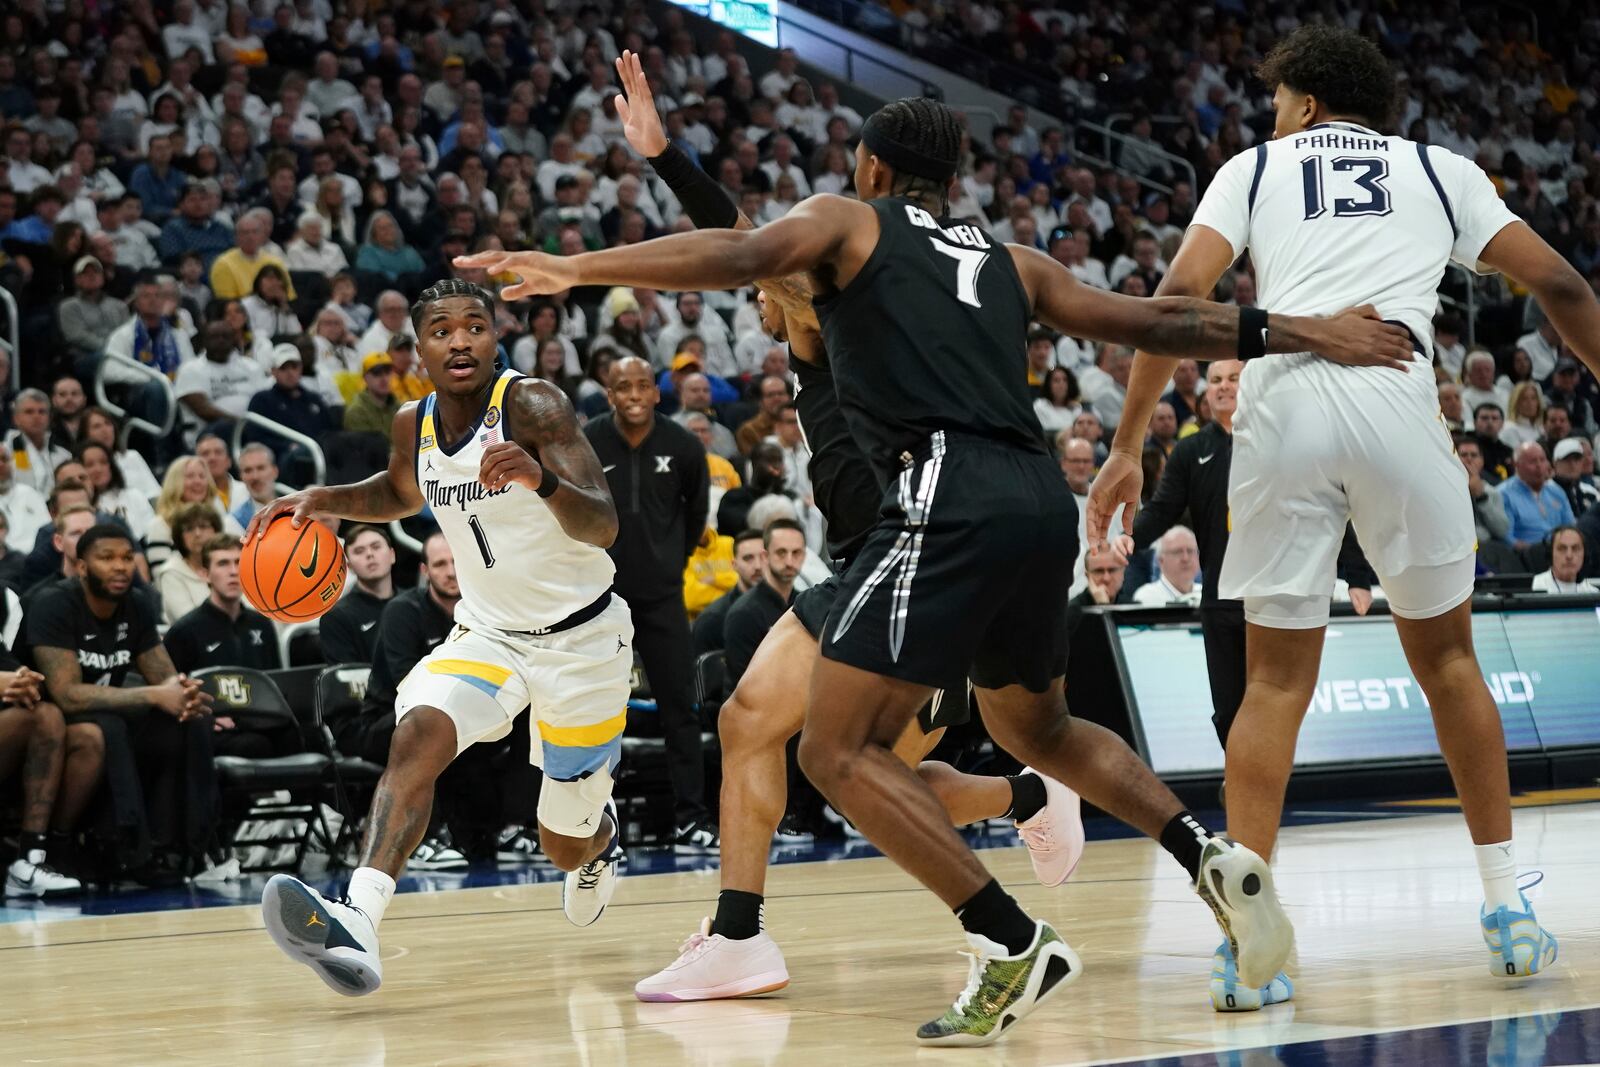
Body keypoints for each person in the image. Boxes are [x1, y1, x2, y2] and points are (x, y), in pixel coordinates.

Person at [464, 61, 1406, 1032]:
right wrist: (1308, 331)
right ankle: (1210, 856)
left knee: (833, 747)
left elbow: (741, 248)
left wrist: (577, 267)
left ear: (869, 167)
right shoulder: (1012, 261)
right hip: (1038, 497)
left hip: (936, 503)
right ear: (948, 177)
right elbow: (1156, 318)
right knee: (1037, 727)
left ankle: (1008, 937)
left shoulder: (846, 225)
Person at [1091, 24, 1569, 1000]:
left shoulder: (1256, 167)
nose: (1271, 114)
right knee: (1447, 661)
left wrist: (1129, 440)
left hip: (1284, 406)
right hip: (1398, 396)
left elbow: (1177, 298)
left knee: (1271, 686)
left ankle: (1244, 941)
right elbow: (1557, 282)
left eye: (1275, 100)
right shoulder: (1442, 171)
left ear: (1303, 103)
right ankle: (1507, 911)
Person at [250, 278, 633, 997]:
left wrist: (542, 480)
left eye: (475, 326)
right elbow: (401, 491)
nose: (460, 341)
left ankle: (601, 838)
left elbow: (604, 524)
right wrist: (326, 501)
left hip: (581, 641)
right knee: (416, 731)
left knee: (561, 840)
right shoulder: (411, 422)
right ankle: (358, 917)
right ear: (417, 347)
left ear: (496, 336)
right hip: (488, 631)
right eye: (442, 330)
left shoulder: (534, 405)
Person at [582, 355, 717, 853]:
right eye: (623, 386)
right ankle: (594, 823)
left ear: (658, 393)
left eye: (643, 385)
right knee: (596, 709)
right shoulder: (589, 440)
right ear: (609, 393)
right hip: (599, 597)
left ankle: (691, 819)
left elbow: (696, 513)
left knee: (680, 708)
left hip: (663, 598)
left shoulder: (682, 446)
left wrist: (665, 564)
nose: (634, 394)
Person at [29, 524, 216, 880]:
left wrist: (184, 695)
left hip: (105, 712)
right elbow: (66, 695)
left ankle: (183, 848)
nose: (120, 566)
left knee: (190, 721)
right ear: (82, 567)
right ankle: (98, 845)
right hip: (47, 719)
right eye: (107, 558)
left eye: (128, 557)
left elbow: (165, 677)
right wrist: (154, 694)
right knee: (106, 728)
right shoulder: (54, 603)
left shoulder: (137, 604)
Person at [0, 586, 99, 897]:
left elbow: (7, 665)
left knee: (85, 737)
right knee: (43, 718)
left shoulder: (5, 599)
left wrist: (23, 681)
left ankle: (35, 857)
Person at [722, 518, 804, 685]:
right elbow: (743, 685)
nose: (789, 561)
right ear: (765, 556)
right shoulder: (744, 613)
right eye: (781, 552)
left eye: (796, 553)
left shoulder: (806, 604)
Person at [318, 524, 396, 665]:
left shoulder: (416, 603)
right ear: (349, 567)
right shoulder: (336, 617)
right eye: (359, 551)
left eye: (376, 547)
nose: (369, 554)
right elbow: (348, 679)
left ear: (392, 555)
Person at [692, 528, 764, 654]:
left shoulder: (791, 606)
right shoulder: (712, 620)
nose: (758, 566)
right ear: (734, 565)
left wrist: (715, 579)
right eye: (748, 558)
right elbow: (690, 598)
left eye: (764, 557)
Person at [154, 503, 223, 625]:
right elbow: (189, 623)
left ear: (216, 530)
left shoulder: (230, 564)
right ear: (180, 536)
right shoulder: (171, 573)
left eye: (203, 526)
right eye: (189, 529)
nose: (197, 533)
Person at [1497, 441, 1575, 549]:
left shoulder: (1556, 491)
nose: (1539, 466)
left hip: (1560, 554)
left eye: (1542, 460)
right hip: (1525, 558)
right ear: (1517, 465)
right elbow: (1508, 540)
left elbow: (1571, 528)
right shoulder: (1503, 494)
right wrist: (1538, 553)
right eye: (1533, 462)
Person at [1130, 526, 1203, 606]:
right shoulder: (1147, 598)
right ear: (1161, 561)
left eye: (1190, 551)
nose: (1185, 558)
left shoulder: (1207, 594)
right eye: (1177, 552)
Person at [343, 353, 402, 441]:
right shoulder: (357, 412)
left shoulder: (397, 406)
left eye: (387, 372)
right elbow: (365, 449)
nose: (384, 379)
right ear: (365, 378)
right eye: (377, 373)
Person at [1530, 526, 1598, 594]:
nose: (1569, 556)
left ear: (1584, 555)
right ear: (1550, 554)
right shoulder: (1533, 588)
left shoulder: (1592, 593)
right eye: (1562, 548)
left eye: (1575, 548)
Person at [229, 443, 280, 528]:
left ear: (275, 471)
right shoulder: (233, 524)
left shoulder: (295, 509)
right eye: (248, 470)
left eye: (260, 468)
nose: (255, 477)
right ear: (241, 477)